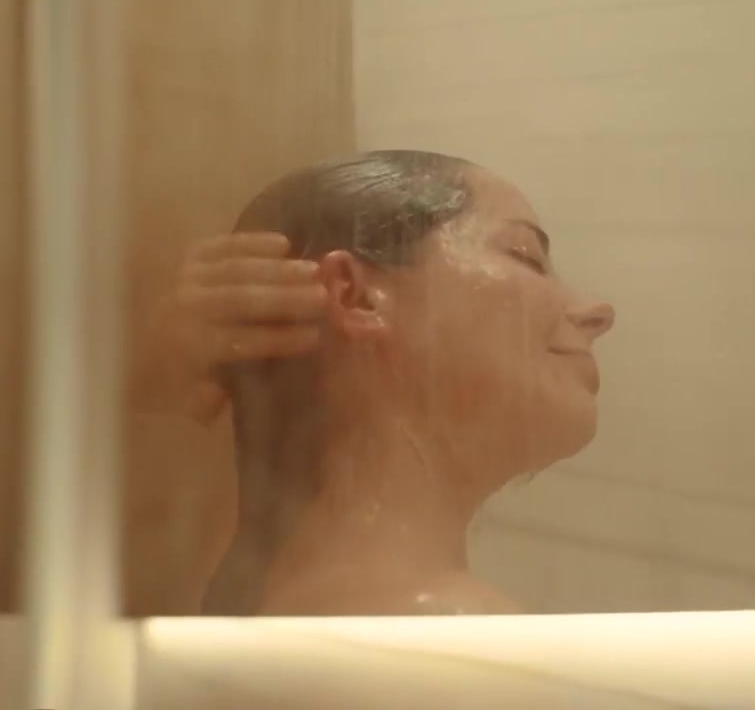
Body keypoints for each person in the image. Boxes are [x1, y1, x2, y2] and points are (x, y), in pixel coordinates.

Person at [154, 150, 614, 616]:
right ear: (357, 296)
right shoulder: (444, 628)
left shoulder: (295, 607)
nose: (596, 312)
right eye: (525, 256)